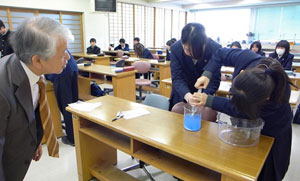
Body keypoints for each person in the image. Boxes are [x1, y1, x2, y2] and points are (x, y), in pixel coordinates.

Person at [193, 48, 292, 181]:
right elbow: (220, 53)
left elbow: (239, 111)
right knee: (239, 162)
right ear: (242, 73)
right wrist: (207, 74)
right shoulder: (246, 58)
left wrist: (209, 100)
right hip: (248, 117)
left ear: (267, 97)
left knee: (264, 169)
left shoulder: (279, 94)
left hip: (273, 130)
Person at [0, 17, 73, 181]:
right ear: (38, 60)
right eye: (62, 54)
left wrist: (34, 140)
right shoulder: (2, 92)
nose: (68, 58)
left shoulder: (32, 70)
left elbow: (30, 108)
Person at [169, 22, 221, 109]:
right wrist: (188, 96)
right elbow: (177, 77)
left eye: (197, 50)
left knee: (204, 122)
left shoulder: (215, 48)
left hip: (205, 96)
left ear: (205, 43)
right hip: (182, 95)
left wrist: (204, 97)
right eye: (188, 50)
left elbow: (214, 79)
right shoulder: (176, 48)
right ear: (182, 42)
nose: (192, 54)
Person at [45, 50, 78, 146]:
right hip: (72, 67)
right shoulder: (54, 36)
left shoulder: (42, 40)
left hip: (62, 72)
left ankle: (72, 138)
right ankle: (77, 133)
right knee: (74, 104)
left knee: (66, 106)